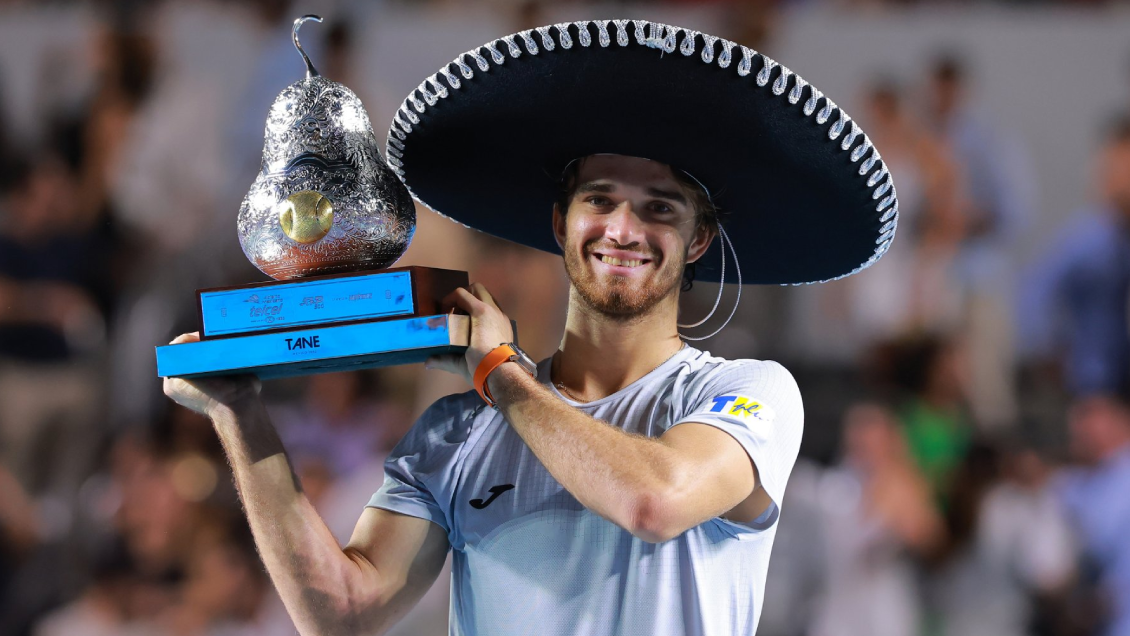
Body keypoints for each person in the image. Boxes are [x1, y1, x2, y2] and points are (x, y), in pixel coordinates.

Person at [163, 19, 898, 636]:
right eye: (599, 199)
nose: (623, 228)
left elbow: (654, 502)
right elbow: (340, 612)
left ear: (698, 241)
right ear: (559, 223)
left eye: (660, 209)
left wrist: (500, 375)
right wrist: (241, 415)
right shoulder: (455, 432)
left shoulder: (748, 393)